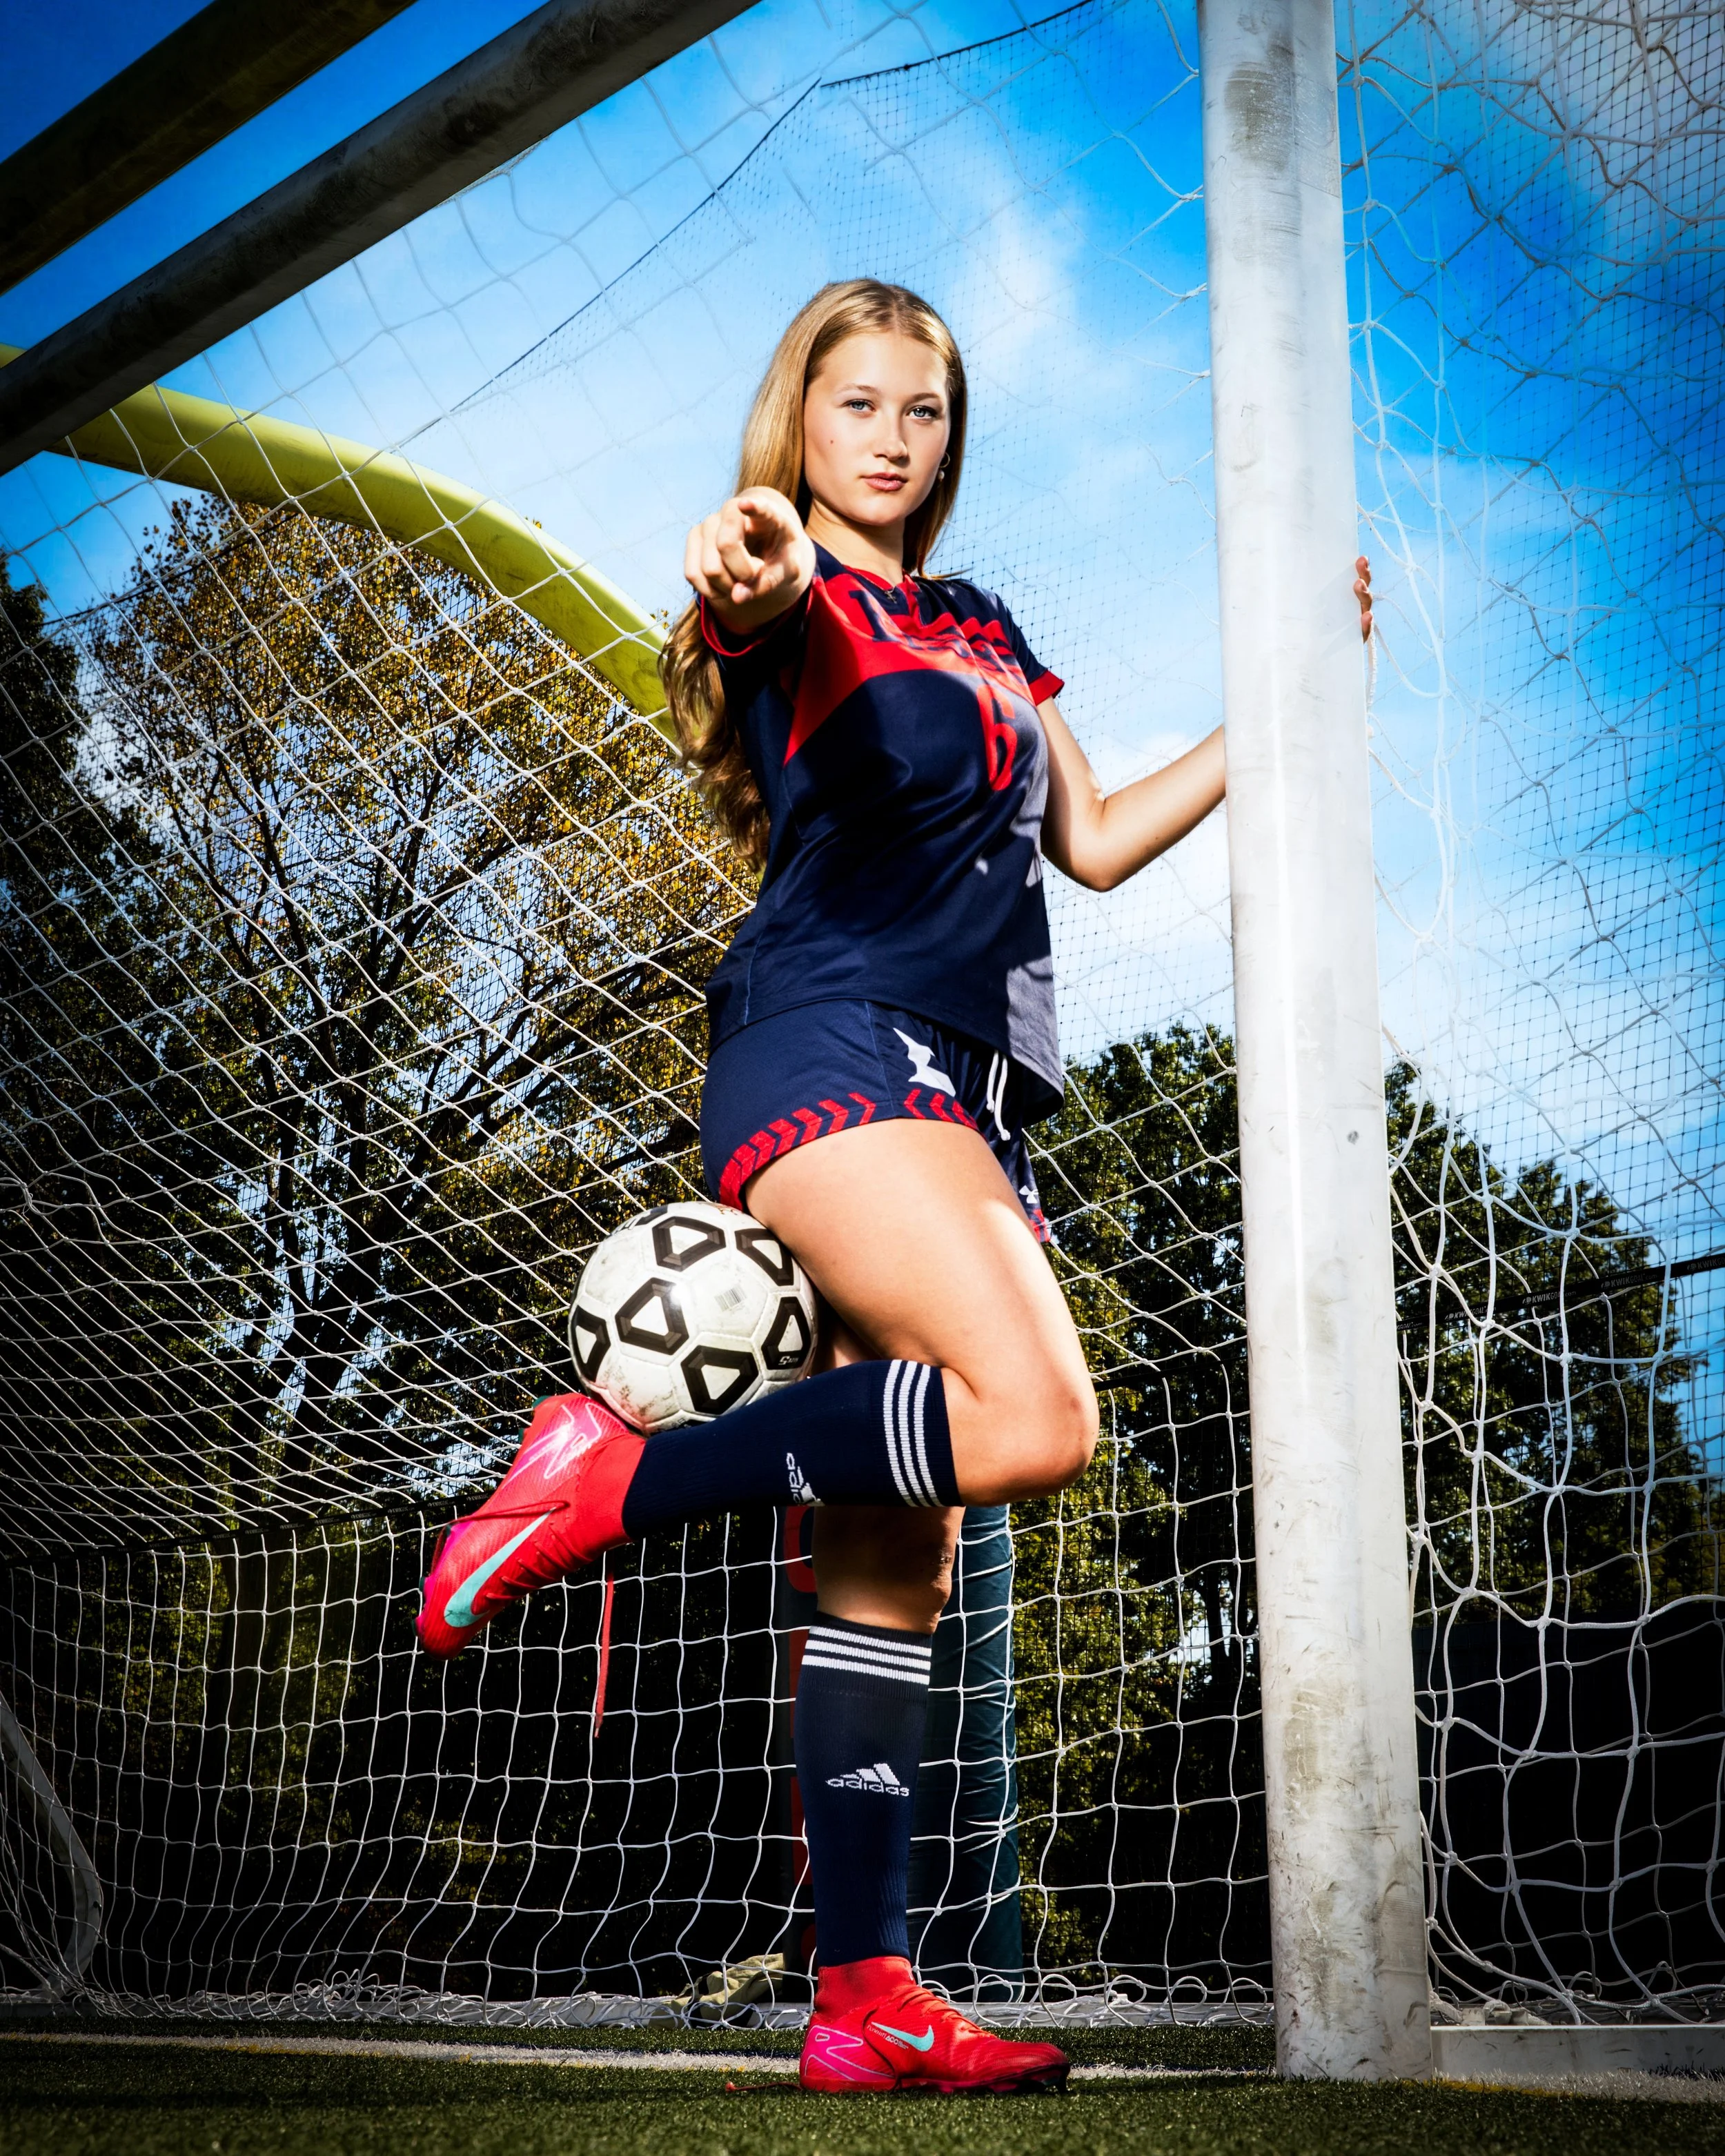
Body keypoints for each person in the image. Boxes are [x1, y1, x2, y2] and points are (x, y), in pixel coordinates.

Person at [418, 278, 1372, 2093]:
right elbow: (740, 593)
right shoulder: (806, 597)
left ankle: (862, 1993)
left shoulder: (984, 625)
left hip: (976, 1082)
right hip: (838, 1039)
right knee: (1028, 1412)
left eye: (923, 410)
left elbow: (1088, 843)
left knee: (895, 1548)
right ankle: (611, 1470)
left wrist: (1293, 694)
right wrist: (745, 565)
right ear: (802, 418)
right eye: (854, 400)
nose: (889, 434)